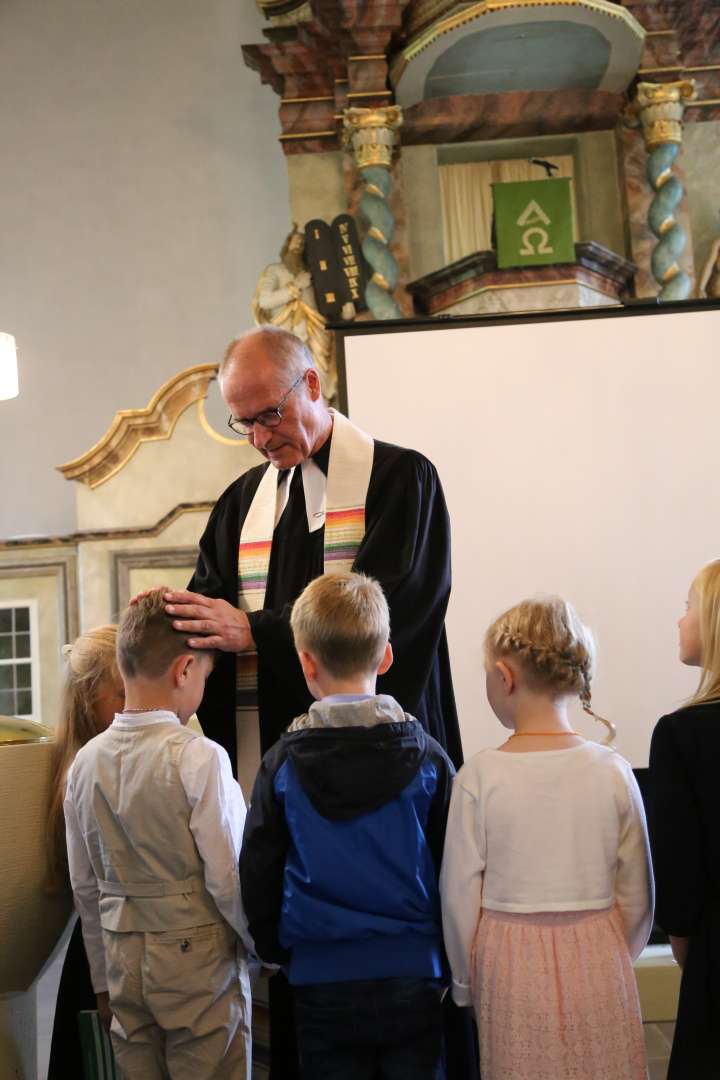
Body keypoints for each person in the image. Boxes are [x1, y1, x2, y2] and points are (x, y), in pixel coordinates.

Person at [161, 323, 470, 1078]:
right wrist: (177, 634)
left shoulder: (402, 480)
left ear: (313, 388)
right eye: (245, 422)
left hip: (392, 773)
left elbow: (401, 610)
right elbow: (213, 610)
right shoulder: (243, 504)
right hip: (288, 773)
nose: (261, 436)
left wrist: (255, 631)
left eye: (270, 413)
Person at [240, 571, 453, 1080]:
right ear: (385, 658)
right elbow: (456, 867)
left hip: (320, 976)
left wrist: (272, 949)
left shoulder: (281, 763)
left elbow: (258, 867)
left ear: (305, 662)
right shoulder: (429, 759)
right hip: (412, 970)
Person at [441, 597, 653, 1080]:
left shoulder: (479, 776)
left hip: (509, 966)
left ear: (504, 676)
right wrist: (617, 952)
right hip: (599, 954)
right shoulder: (614, 771)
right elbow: (639, 895)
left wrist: (463, 983)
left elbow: (458, 898)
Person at [63, 590, 252, 1078]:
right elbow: (229, 875)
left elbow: (84, 886)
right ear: (184, 669)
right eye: (205, 677)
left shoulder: (84, 764)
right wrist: (259, 946)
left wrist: (102, 982)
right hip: (198, 964)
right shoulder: (199, 756)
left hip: (122, 957)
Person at [649, 559, 720, 1077]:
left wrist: (680, 936)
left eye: (688, 607)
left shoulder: (682, 733)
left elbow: (679, 868)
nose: (680, 620)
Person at [45, 626, 125, 1078]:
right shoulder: (88, 768)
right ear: (89, 701)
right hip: (104, 950)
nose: (133, 704)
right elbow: (87, 887)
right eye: (120, 694)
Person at [253, 227, 337, 401]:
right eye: (296, 240)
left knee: (320, 372)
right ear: (287, 243)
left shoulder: (312, 274)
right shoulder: (275, 270)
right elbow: (265, 301)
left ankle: (323, 410)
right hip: (287, 331)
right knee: (290, 377)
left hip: (315, 329)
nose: (299, 244)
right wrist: (295, 287)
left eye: (303, 242)